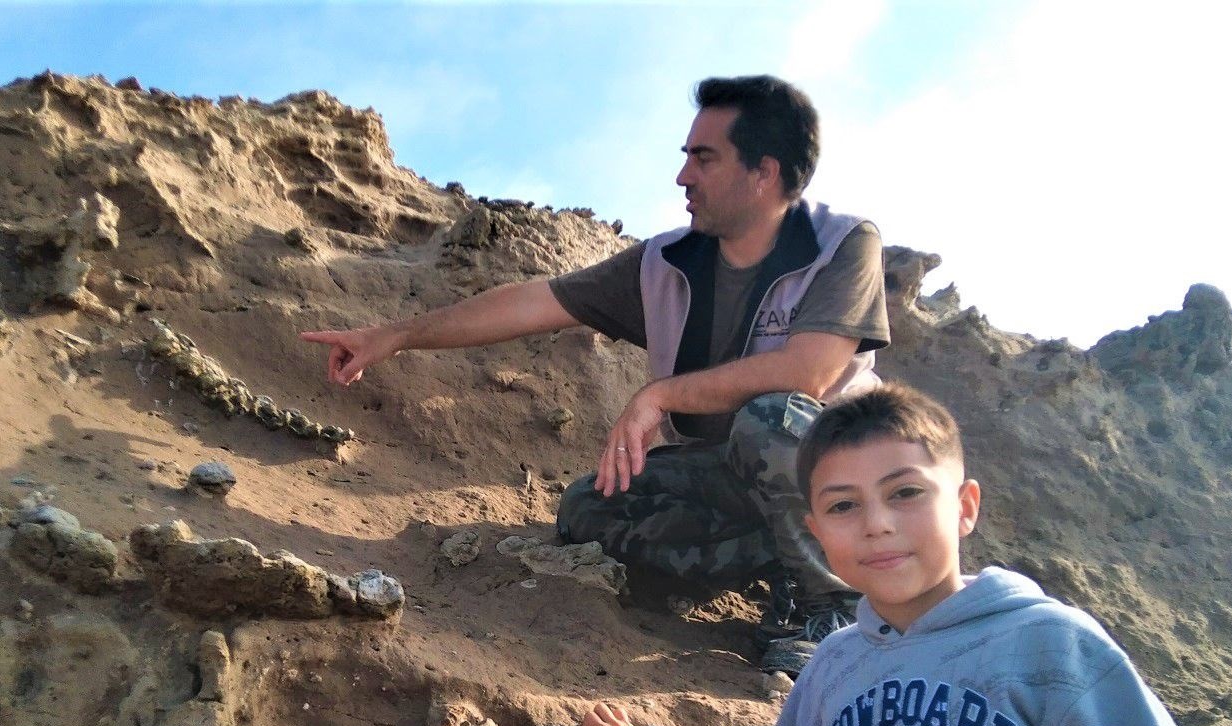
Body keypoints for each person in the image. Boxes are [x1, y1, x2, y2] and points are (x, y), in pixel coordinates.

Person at [567, 383, 1232, 726]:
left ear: (966, 506)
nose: (877, 523)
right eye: (843, 506)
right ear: (813, 533)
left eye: (906, 493)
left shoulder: (1049, 647)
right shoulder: (835, 670)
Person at [301, 75, 890, 673]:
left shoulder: (842, 243)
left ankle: (840, 606)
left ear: (763, 173)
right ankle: (780, 559)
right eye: (685, 157)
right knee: (590, 509)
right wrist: (397, 335)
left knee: (771, 418)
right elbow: (534, 303)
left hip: (839, 474)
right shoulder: (667, 262)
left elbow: (809, 373)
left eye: (704, 159)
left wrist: (660, 395)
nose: (682, 177)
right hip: (728, 477)